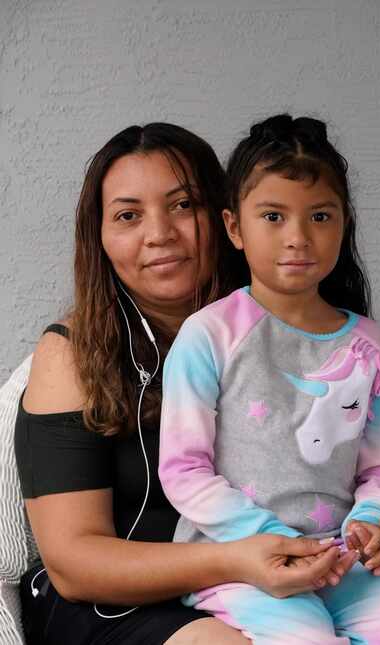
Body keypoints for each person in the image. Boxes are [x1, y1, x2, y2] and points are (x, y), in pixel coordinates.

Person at [14, 122, 361, 645]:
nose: (160, 234)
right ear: (100, 236)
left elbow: (375, 472)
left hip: (283, 578)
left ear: (228, 220)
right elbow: (73, 562)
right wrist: (236, 561)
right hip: (119, 595)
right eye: (129, 216)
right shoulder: (71, 353)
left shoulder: (311, 331)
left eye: (183, 206)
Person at [158, 114, 380, 644]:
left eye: (320, 216)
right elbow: (183, 469)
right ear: (235, 228)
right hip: (241, 558)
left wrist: (370, 524)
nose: (299, 237)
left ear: (343, 223)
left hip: (344, 557)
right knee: (301, 637)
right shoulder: (209, 335)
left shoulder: (369, 347)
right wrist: (271, 540)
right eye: (274, 216)